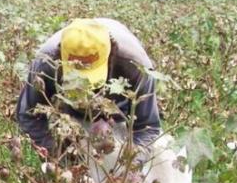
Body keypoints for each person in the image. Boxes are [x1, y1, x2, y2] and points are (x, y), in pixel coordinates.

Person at [16, 18, 161, 157]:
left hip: (119, 111)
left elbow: (147, 126)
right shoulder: (45, 63)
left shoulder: (136, 66)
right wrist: (58, 154)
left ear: (110, 55)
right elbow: (28, 116)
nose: (88, 89)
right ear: (61, 57)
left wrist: (130, 167)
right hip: (69, 112)